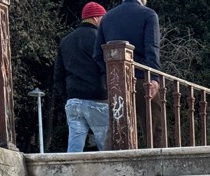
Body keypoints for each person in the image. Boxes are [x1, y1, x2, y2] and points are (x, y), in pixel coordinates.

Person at [94, 0, 165, 149]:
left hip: (116, 83)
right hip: (142, 79)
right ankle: (157, 160)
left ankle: (111, 159)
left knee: (116, 127)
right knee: (154, 128)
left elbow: (98, 54)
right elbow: (152, 48)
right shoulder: (148, 14)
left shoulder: (107, 17)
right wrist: (154, 78)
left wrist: (110, 75)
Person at [53, 2, 109, 152]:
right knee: (106, 146)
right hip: (98, 99)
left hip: (73, 100)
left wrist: (67, 96)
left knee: (74, 147)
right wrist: (107, 91)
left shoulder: (66, 41)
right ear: (96, 18)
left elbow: (58, 75)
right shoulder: (100, 40)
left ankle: (72, 167)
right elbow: (105, 68)